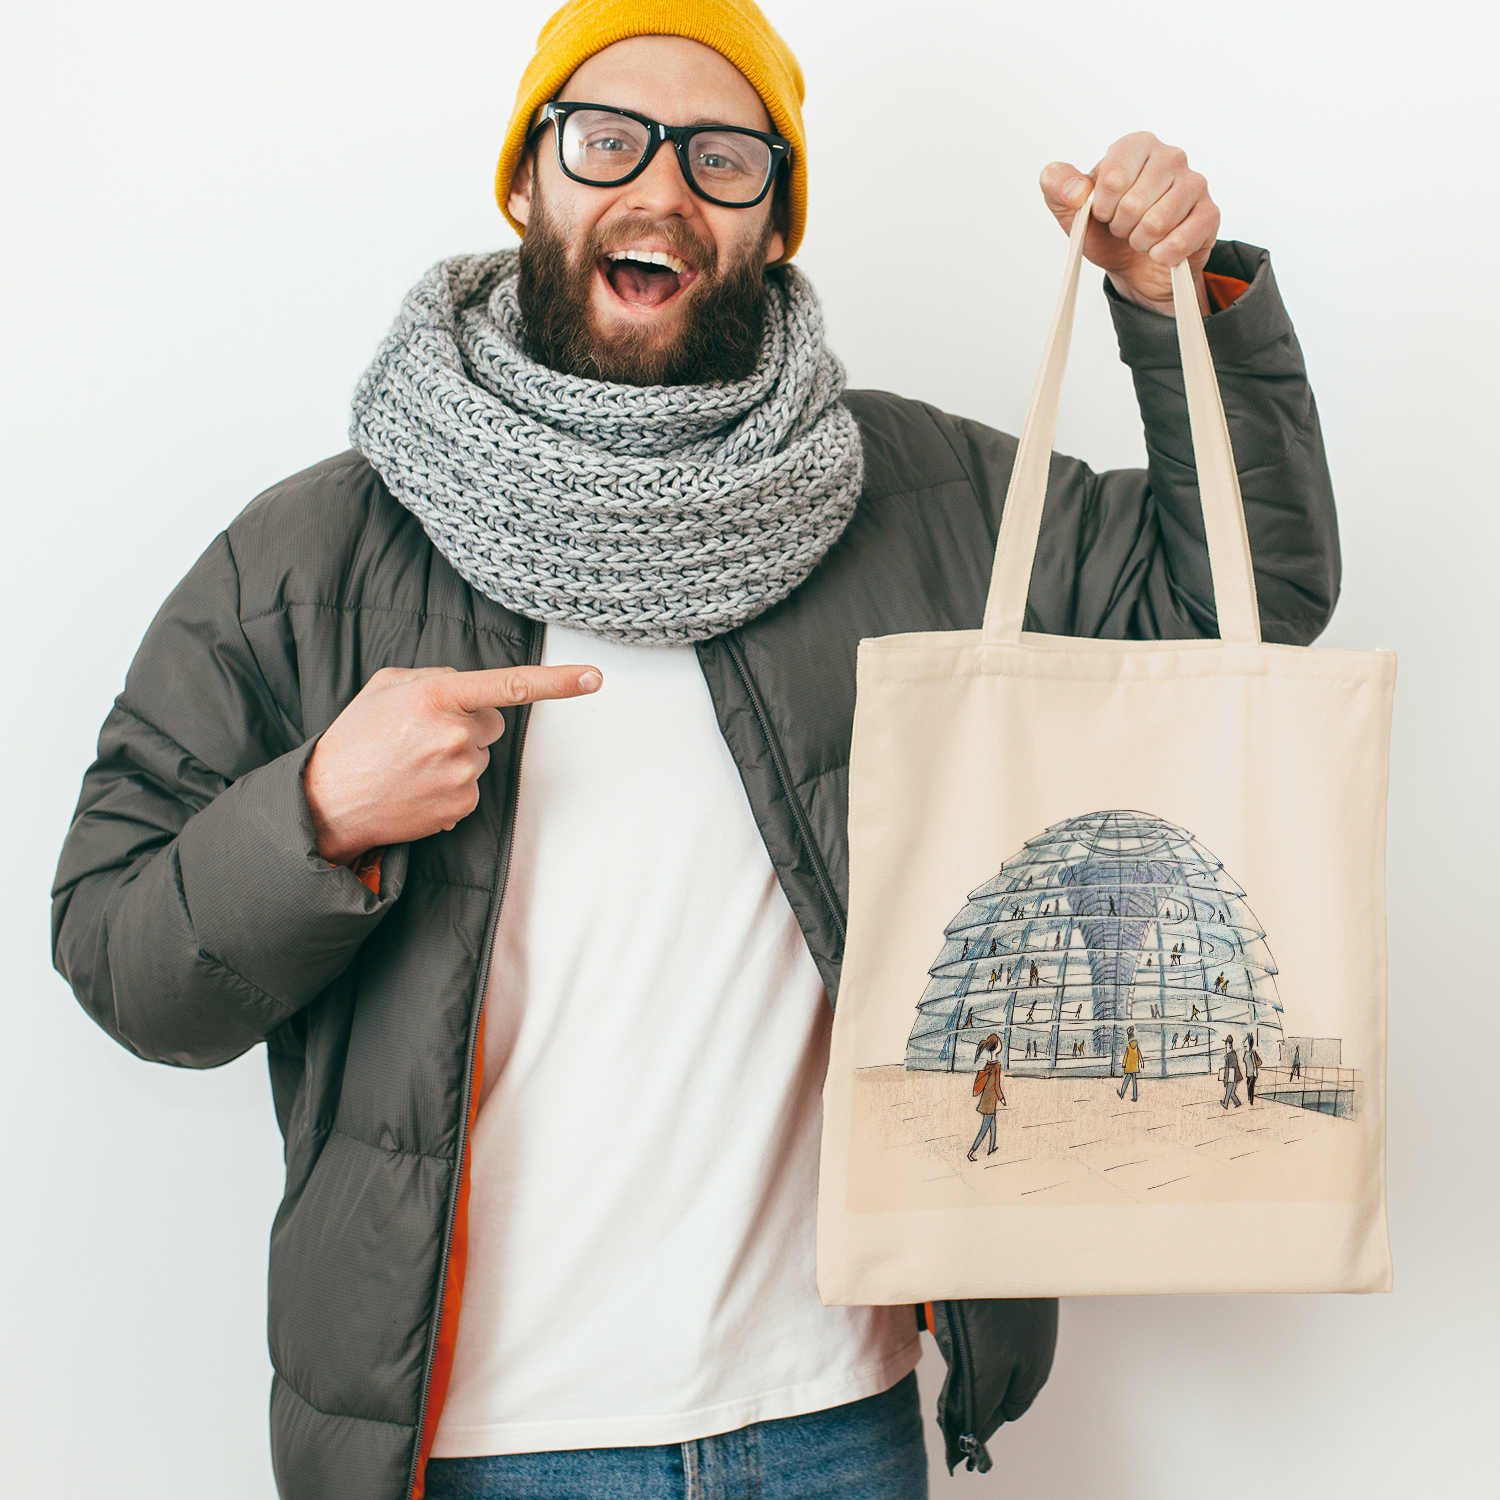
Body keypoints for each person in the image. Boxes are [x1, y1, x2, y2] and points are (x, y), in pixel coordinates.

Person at [48, 1, 1340, 1492]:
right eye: (606, 139)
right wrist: (319, 816)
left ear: (773, 222)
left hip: (831, 1424)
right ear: (527, 183)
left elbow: (1239, 599)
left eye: (723, 157)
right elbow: (122, 962)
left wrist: (1187, 305)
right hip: (481, 1449)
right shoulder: (309, 555)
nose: (659, 187)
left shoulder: (918, 500)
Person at [968, 1035, 1006, 1160]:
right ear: (996, 1048)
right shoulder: (996, 1066)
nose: (1000, 1044)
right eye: (999, 1043)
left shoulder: (989, 1064)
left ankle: (991, 1147)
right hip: (990, 1101)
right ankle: (971, 1152)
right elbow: (996, 1085)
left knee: (993, 1124)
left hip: (987, 1099)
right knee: (984, 1128)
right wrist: (1001, 1098)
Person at [1117, 1026, 1143, 1102]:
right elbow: (1139, 1054)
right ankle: (1135, 1097)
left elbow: (1126, 1056)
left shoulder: (1128, 1047)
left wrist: (1124, 1064)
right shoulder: (1136, 1046)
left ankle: (1122, 1094)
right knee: (1134, 1083)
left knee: (1126, 1081)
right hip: (1135, 1067)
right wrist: (1141, 1062)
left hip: (1129, 1067)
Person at [1221, 1036, 1244, 1109]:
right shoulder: (1233, 1054)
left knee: (1228, 1092)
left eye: (1226, 1043)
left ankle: (1225, 1104)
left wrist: (1225, 1079)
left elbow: (1228, 1069)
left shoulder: (1229, 1055)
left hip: (1231, 1076)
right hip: (1235, 1076)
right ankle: (1237, 1103)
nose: (1225, 1045)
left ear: (1229, 1044)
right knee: (1232, 1093)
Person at [1243, 1033, 1262, 1106]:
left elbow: (1254, 1064)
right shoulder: (1245, 1052)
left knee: (1250, 1088)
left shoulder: (1251, 1053)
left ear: (1249, 1042)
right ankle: (1249, 1101)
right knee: (1248, 1088)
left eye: (1246, 1040)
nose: (1244, 1041)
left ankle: (1251, 1102)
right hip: (1248, 1074)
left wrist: (1255, 1074)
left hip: (1252, 1074)